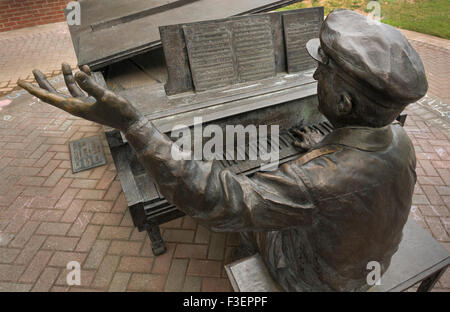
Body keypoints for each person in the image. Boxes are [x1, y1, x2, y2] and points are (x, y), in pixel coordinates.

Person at [19, 9, 428, 291]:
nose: (316, 74)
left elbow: (216, 197)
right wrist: (324, 146)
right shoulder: (399, 138)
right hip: (367, 261)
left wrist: (134, 123)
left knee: (250, 219)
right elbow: (347, 178)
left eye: (324, 72)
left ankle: (246, 260)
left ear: (343, 105)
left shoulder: (312, 181)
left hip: (316, 281)